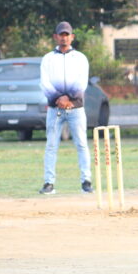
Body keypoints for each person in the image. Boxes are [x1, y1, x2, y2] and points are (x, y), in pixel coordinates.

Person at [39, 21, 93, 195]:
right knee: (51, 145)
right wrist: (58, 99)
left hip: (75, 108)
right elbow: (44, 83)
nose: (64, 38)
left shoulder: (80, 58)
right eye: (61, 35)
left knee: (82, 144)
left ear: (72, 37)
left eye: (67, 35)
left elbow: (82, 82)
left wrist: (68, 98)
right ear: (55, 37)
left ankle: (86, 181)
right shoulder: (48, 58)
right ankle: (49, 183)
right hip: (55, 109)